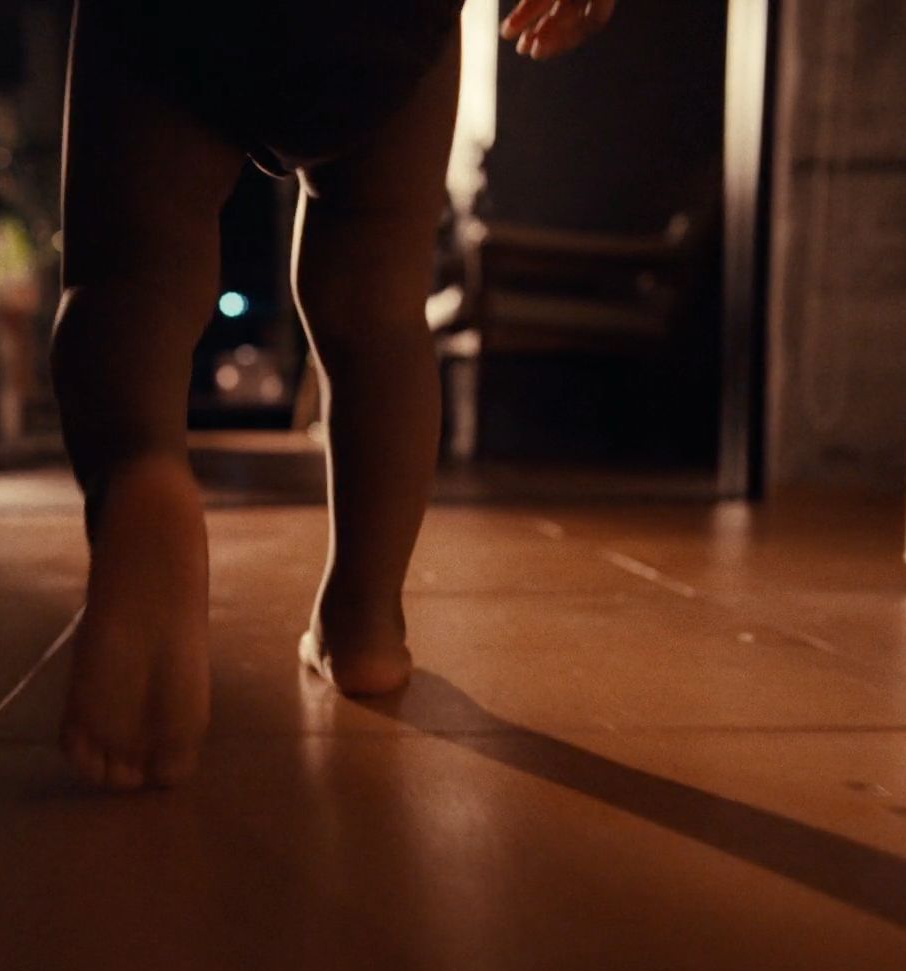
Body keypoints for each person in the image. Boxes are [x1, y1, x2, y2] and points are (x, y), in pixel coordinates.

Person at [51, 0, 619, 790]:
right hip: (386, 27)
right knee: (379, 313)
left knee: (131, 277)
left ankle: (142, 475)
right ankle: (364, 622)